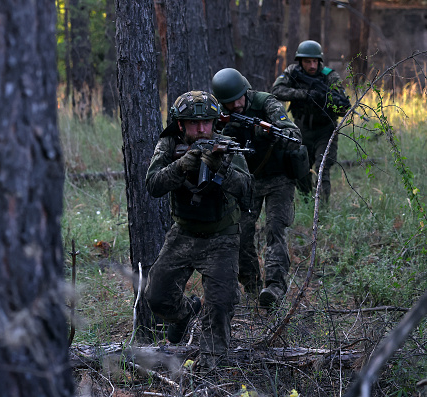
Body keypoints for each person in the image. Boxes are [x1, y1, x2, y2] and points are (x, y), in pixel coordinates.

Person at [144, 90, 253, 370]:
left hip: (222, 237)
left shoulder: (227, 146)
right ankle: (187, 312)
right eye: (194, 123)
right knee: (157, 297)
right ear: (180, 125)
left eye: (207, 122)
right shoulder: (168, 144)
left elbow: (248, 191)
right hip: (184, 234)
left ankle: (211, 369)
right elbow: (153, 184)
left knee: (219, 306)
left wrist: (222, 170)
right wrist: (180, 167)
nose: (202, 129)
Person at [211, 68, 302, 308]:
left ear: (245, 92)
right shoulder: (221, 115)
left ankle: (274, 288)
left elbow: (293, 133)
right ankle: (251, 287)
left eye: (237, 100)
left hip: (278, 179)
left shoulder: (266, 103)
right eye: (228, 104)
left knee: (275, 229)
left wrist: (270, 134)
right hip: (247, 181)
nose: (235, 106)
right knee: (241, 234)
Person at [272, 40, 351, 203]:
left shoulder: (330, 76)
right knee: (301, 166)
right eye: (308, 61)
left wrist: (330, 102)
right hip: (302, 128)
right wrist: (305, 94)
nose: (312, 65)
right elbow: (276, 90)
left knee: (323, 168)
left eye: (315, 61)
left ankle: (321, 209)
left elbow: (342, 106)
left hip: (325, 129)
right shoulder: (293, 71)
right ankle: (308, 202)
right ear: (300, 61)